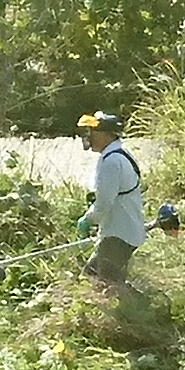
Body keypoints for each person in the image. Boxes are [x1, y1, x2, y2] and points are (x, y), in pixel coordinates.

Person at [77, 110, 149, 288]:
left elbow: (104, 203)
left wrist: (88, 219)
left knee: (105, 284)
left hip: (118, 235)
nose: (88, 137)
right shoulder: (119, 154)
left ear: (104, 135)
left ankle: (137, 312)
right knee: (93, 277)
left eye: (91, 133)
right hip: (121, 232)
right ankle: (131, 309)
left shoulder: (111, 161)